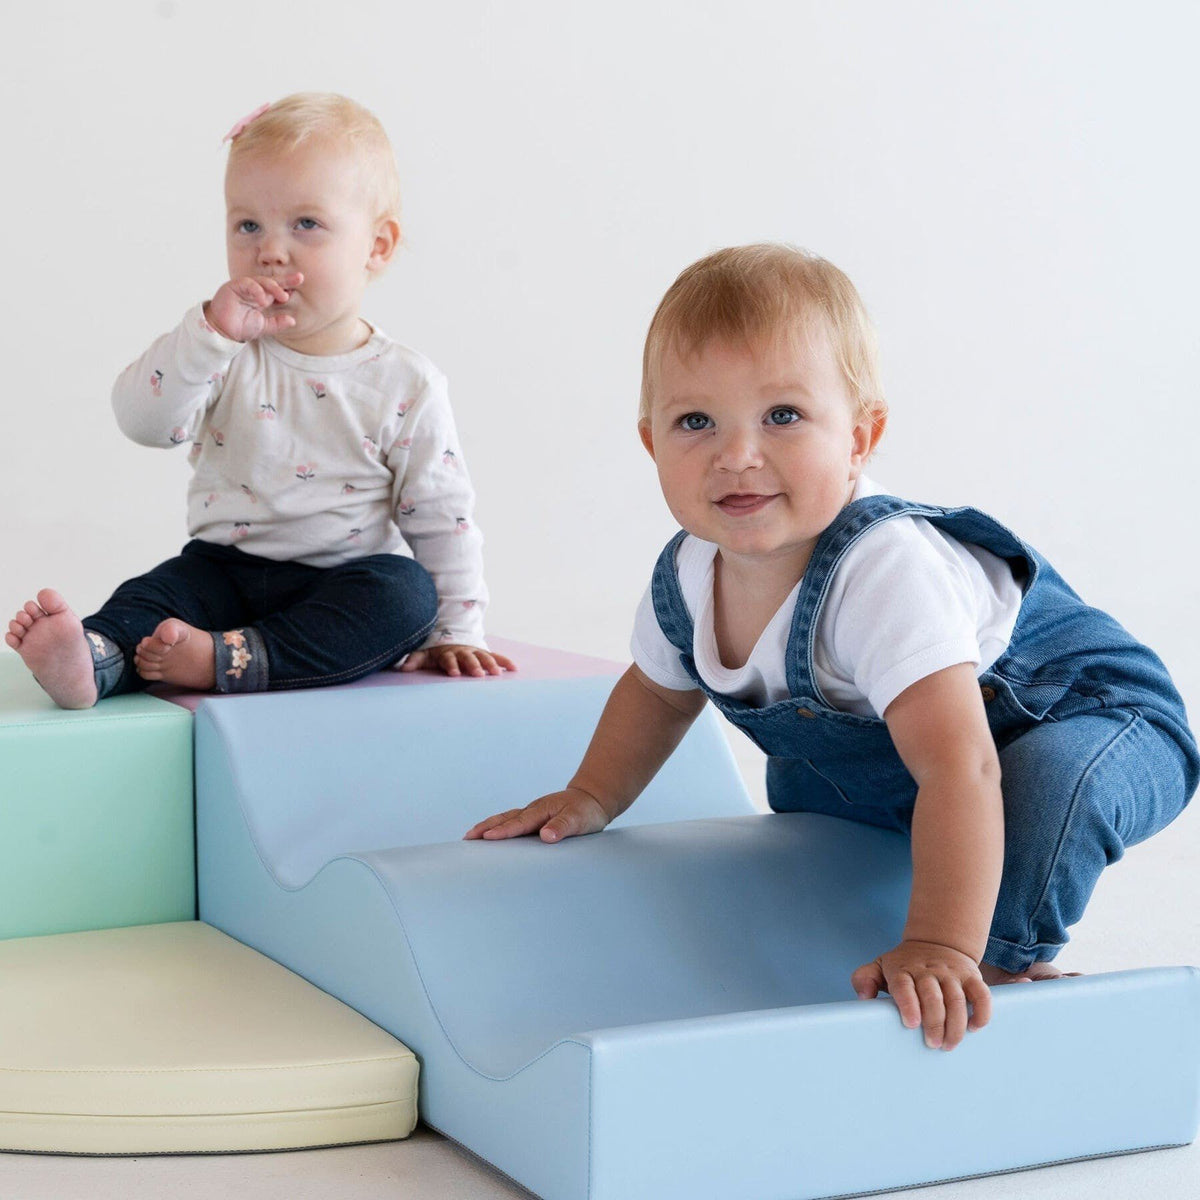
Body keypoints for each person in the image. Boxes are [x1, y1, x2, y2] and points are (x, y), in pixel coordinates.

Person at [466, 243, 1198, 1052]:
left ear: (861, 437)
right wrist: (593, 796)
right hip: (921, 757)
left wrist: (942, 944)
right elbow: (658, 693)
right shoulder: (687, 570)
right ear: (650, 443)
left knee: (1046, 786)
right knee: (804, 782)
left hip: (1084, 719)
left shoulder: (885, 569)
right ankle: (929, 890)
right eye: (695, 421)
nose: (736, 454)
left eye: (783, 416)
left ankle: (1004, 962)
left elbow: (963, 766)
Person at [7, 93, 513, 706]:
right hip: (221, 570)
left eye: (306, 224)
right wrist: (208, 335)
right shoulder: (219, 352)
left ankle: (230, 658)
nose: (270, 250)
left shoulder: (405, 381)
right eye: (248, 225)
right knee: (154, 596)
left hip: (341, 584)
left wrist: (455, 631)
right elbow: (144, 423)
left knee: (404, 594)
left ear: (376, 246)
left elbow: (442, 515)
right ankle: (93, 659)